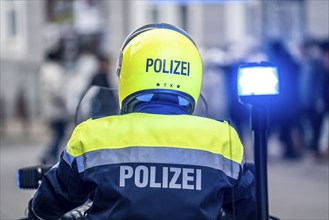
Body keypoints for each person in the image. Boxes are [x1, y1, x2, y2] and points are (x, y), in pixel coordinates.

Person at [28, 23, 256, 220]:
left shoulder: (92, 136)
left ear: (126, 74)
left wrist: (36, 211)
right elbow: (252, 208)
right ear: (192, 75)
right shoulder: (223, 140)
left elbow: (47, 204)